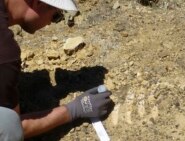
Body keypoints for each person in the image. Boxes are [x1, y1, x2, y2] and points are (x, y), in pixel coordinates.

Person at [0, 0, 113, 140]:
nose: (49, 24)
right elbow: (13, 127)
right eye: (55, 16)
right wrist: (73, 110)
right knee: (9, 126)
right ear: (36, 3)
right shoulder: (4, 53)